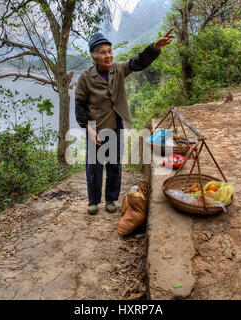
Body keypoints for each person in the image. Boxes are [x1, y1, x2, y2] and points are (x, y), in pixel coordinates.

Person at [75, 28, 175, 214]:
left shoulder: (118, 69)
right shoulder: (85, 78)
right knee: (94, 167)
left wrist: (155, 47)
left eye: (110, 51)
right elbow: (80, 108)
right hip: (94, 128)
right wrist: (88, 129)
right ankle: (93, 201)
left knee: (114, 164)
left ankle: (111, 199)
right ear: (94, 56)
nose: (108, 55)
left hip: (115, 125)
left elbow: (137, 63)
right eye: (103, 52)